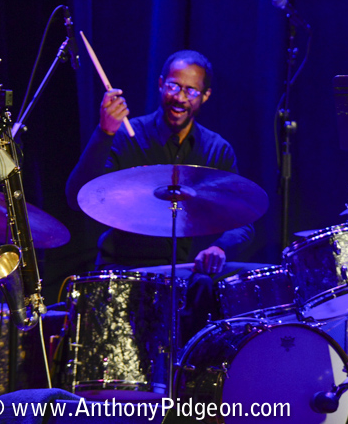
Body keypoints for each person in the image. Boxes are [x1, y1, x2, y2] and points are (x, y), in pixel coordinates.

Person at [65, 50, 254, 335]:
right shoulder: (127, 135)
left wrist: (220, 248)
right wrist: (104, 132)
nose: (180, 97)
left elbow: (244, 222)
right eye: (173, 86)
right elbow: (76, 196)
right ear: (160, 84)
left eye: (191, 90)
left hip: (188, 276)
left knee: (226, 287)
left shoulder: (217, 150)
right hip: (127, 269)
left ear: (205, 96)